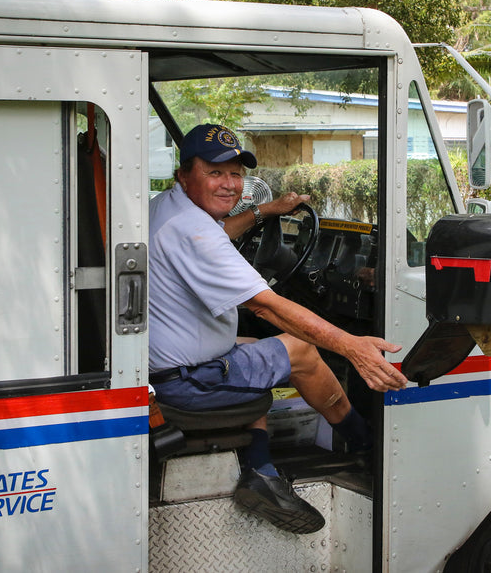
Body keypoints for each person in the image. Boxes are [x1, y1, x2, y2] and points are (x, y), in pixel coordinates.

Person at [148, 123, 407, 534]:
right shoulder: (194, 231)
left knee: (257, 347)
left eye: (235, 173)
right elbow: (265, 305)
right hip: (184, 383)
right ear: (184, 174)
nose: (229, 184)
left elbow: (220, 234)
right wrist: (352, 346)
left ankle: (260, 465)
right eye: (215, 173)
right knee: (298, 350)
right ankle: (364, 446)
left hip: (166, 363)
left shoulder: (169, 207)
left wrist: (265, 212)